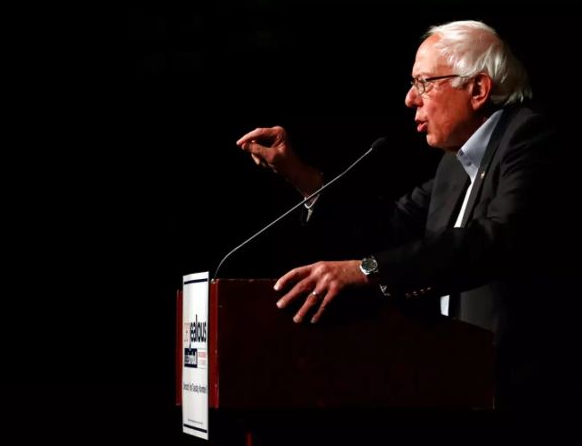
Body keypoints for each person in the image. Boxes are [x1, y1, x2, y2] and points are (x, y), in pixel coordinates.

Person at [236, 20, 561, 408]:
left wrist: (367, 270)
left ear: (477, 89)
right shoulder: (453, 166)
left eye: (424, 82)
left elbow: (496, 238)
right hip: (458, 382)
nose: (411, 98)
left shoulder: (530, 138)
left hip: (521, 389)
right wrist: (300, 175)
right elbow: (388, 226)